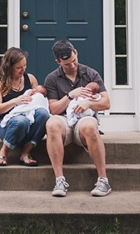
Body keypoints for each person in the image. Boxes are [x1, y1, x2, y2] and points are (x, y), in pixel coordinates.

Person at [44, 40, 112, 197]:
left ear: (76, 52)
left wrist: (88, 103)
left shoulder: (91, 74)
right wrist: (70, 96)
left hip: (83, 121)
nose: (72, 66)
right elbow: (53, 109)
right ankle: (59, 180)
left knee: (90, 125)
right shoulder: (52, 78)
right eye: (67, 64)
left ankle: (103, 180)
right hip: (63, 121)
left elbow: (106, 103)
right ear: (58, 62)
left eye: (74, 61)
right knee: (51, 123)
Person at [0, 47, 50, 167]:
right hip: (7, 125)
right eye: (19, 67)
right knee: (20, 121)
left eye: (25, 66)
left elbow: (38, 101)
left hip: (30, 122)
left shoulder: (30, 79)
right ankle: (3, 153)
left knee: (43, 113)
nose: (23, 70)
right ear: (9, 66)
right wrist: (15, 101)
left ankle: (25, 153)